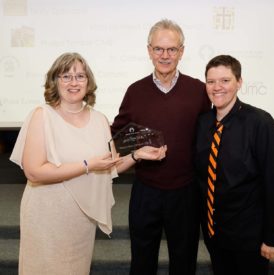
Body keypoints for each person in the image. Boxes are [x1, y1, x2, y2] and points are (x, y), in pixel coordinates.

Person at [10, 52, 166, 275]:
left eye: (80, 76)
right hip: (47, 215)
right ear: (55, 81)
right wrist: (87, 165)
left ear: (88, 82)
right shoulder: (41, 115)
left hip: (81, 219)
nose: (74, 82)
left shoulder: (100, 119)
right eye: (66, 76)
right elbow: (34, 172)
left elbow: (109, 166)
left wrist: (137, 155)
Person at [111, 19, 211, 275]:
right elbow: (118, 137)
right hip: (146, 191)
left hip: (186, 192)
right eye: (158, 49)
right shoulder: (135, 91)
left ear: (181, 52)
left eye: (171, 49)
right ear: (149, 50)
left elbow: (208, 137)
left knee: (184, 261)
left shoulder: (199, 90)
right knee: (142, 263)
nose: (164, 56)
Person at [195, 54, 274, 275]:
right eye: (211, 81)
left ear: (239, 82)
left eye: (225, 80)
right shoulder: (203, 123)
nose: (217, 87)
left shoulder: (260, 123)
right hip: (214, 233)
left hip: (249, 237)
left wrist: (272, 238)